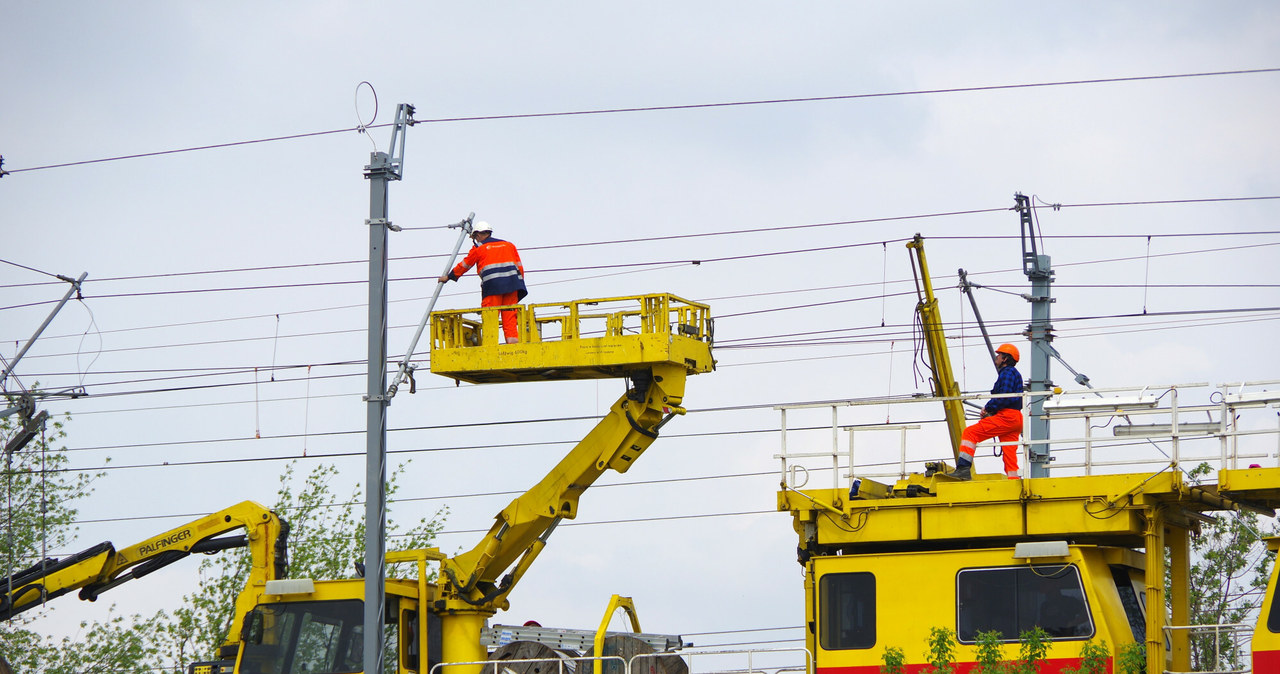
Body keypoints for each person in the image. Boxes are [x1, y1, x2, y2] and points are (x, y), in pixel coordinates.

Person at [438, 221, 528, 343]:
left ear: (478, 235)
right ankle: (513, 346)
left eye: (475, 237)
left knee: (490, 316)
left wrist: (449, 277)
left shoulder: (478, 248)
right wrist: (518, 285)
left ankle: (490, 346)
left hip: (493, 288)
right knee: (510, 318)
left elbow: (465, 264)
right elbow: (520, 268)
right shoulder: (509, 245)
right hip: (512, 286)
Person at [953, 343, 1024, 480]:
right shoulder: (1013, 373)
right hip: (1015, 419)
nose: (996, 357)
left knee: (970, 433)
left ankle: (963, 469)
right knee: (1009, 453)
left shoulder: (1008, 373)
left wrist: (988, 407)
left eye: (999, 355)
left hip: (1007, 417)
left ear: (1005, 358)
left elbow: (1004, 396)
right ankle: (1014, 480)